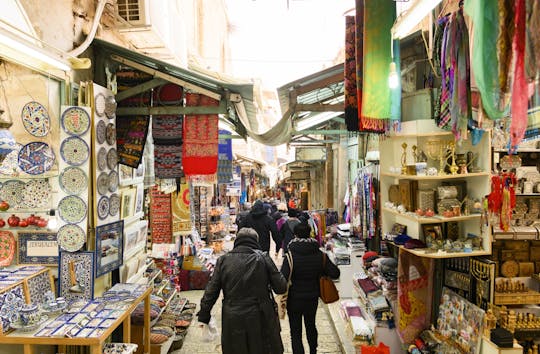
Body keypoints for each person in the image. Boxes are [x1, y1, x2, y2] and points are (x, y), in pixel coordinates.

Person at [198, 228, 287, 354]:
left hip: (233, 317)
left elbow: (211, 291)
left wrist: (204, 314)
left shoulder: (223, 260)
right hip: (260, 316)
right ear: (255, 241)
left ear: (237, 241)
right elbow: (281, 287)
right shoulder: (263, 258)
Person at [280, 222, 340, 354]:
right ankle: (313, 351)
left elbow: (282, 279)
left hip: (294, 299)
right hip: (312, 298)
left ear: (295, 235)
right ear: (310, 234)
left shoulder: (290, 255)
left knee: (295, 331)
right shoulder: (320, 254)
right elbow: (335, 273)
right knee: (311, 326)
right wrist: (321, 272)